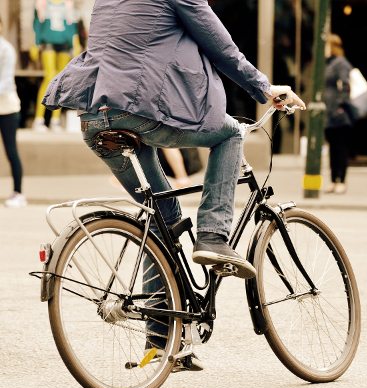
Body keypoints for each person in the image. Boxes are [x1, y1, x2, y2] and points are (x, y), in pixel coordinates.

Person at [41, 0, 305, 279]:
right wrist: (264, 88)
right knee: (230, 133)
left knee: (162, 219)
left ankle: (158, 322)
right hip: (137, 107)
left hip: (94, 116)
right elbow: (219, 44)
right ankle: (213, 235)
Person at [31, 0, 79, 131]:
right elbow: (37, 24)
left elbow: (72, 26)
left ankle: (55, 120)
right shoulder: (42, 3)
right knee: (49, 77)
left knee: (60, 81)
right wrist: (35, 43)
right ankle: (39, 119)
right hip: (48, 42)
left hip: (64, 43)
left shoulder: (68, 4)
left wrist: (75, 44)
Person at [0, 18, 27, 208]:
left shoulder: (6, 49)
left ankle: (18, 193)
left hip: (7, 108)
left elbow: (7, 82)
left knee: (11, 151)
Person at [323, 34, 354, 194]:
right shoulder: (328, 63)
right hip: (328, 112)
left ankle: (341, 180)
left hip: (338, 112)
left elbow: (346, 84)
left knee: (340, 147)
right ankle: (333, 179)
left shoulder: (340, 63)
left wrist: (341, 105)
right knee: (333, 148)